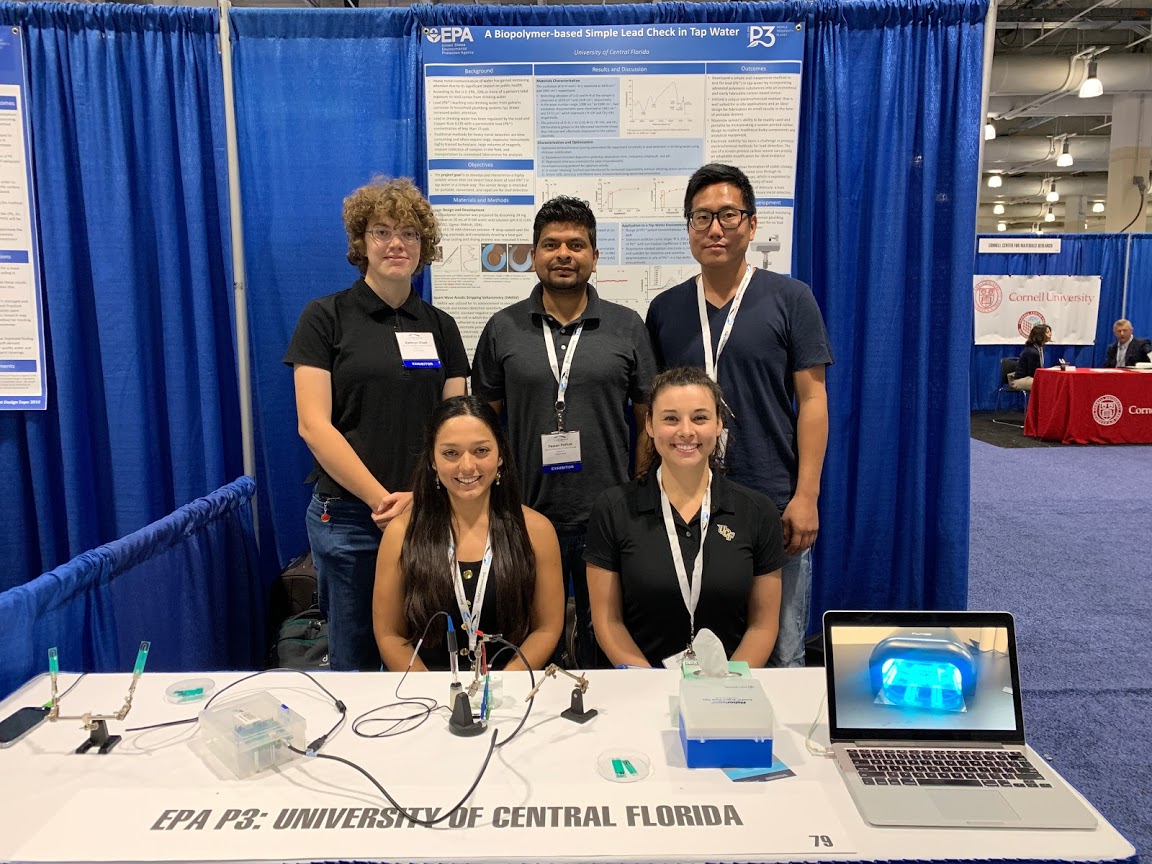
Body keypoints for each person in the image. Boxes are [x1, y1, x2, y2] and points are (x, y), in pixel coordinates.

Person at [644, 164, 832, 668]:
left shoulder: (791, 299)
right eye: (702, 217)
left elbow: (813, 401)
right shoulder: (665, 309)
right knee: (696, 645)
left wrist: (806, 495)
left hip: (772, 496)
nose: (715, 228)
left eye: (728, 215)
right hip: (686, 500)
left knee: (783, 651)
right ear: (689, 228)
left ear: (751, 224)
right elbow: (654, 412)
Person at [284, 177, 469, 671]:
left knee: (428, 652)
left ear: (423, 246)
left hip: (428, 513)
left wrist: (421, 496)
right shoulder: (325, 318)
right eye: (382, 232)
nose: (396, 244)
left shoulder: (441, 326)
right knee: (357, 660)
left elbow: (456, 429)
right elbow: (313, 426)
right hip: (350, 520)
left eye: (409, 233)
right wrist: (380, 500)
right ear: (361, 242)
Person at [471, 196, 657, 668]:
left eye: (576, 244)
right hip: (525, 515)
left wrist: (638, 491)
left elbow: (648, 421)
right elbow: (482, 424)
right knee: (531, 639)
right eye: (551, 244)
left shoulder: (627, 326)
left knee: (605, 638)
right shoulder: (502, 328)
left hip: (608, 515)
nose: (563, 254)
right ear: (533, 254)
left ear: (595, 256)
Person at [584, 367, 784, 668]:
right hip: (640, 684)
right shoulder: (613, 509)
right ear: (649, 424)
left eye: (700, 418)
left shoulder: (757, 511)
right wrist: (650, 683)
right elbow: (608, 622)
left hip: (729, 687)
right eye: (671, 419)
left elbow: (762, 626)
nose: (686, 431)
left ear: (719, 423)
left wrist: (726, 686)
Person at [373, 396, 565, 672]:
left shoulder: (537, 531)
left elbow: (546, 628)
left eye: (481, 451)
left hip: (512, 690)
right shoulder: (402, 533)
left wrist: (503, 685)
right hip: (427, 691)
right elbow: (390, 634)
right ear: (432, 461)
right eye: (451, 453)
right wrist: (428, 689)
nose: (467, 466)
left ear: (500, 456)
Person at [1010, 323, 1052, 391]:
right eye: (1047, 332)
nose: (1050, 334)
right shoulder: (1032, 351)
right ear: (1039, 335)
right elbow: (1033, 373)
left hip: (1030, 378)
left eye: (1050, 332)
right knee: (1045, 384)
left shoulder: (1039, 348)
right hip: (1020, 380)